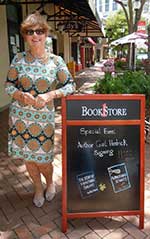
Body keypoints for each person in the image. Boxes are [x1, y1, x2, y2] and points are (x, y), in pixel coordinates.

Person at [5, 12, 76, 207]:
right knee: (29, 159)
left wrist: (50, 95)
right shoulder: (18, 59)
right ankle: (37, 187)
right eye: (30, 32)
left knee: (44, 160)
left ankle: (50, 182)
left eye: (39, 31)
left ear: (46, 34)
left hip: (44, 120)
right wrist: (20, 95)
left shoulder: (56, 61)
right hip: (21, 118)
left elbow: (70, 85)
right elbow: (9, 85)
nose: (35, 35)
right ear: (25, 36)